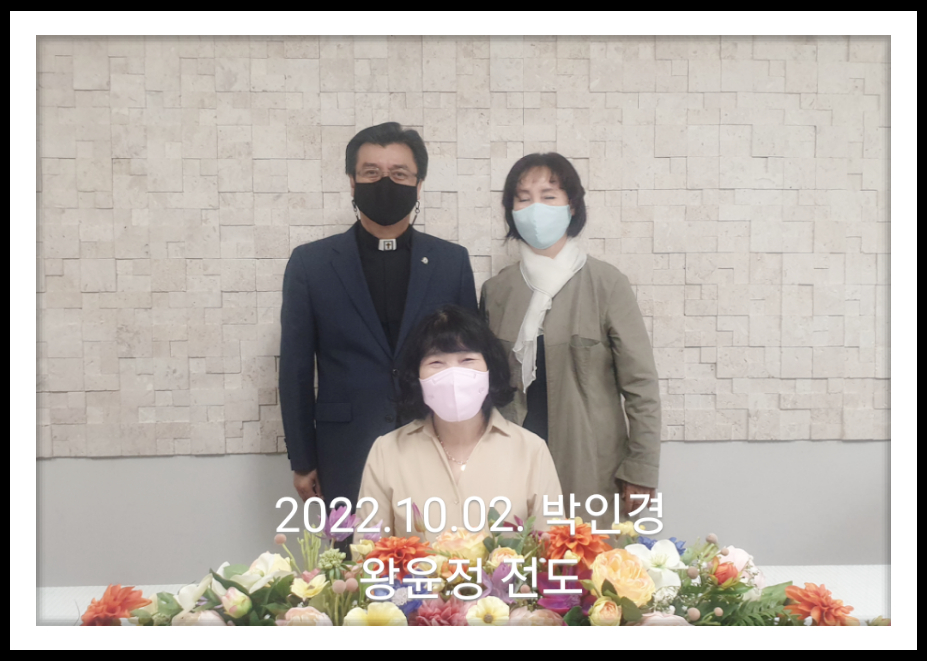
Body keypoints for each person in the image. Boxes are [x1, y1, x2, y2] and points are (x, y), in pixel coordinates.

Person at [279, 122, 479, 520]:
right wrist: (302, 460)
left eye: (399, 174)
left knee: (439, 550)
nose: (385, 182)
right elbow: (295, 370)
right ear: (352, 182)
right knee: (355, 555)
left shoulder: (451, 262)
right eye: (371, 172)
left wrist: (474, 444)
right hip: (345, 449)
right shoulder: (311, 264)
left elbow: (470, 365)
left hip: (436, 440)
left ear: (418, 185)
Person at [479, 153, 662, 526]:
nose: (535, 209)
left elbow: (641, 385)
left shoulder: (606, 284)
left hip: (591, 464)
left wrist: (641, 468)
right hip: (513, 462)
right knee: (513, 556)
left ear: (572, 206)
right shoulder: (497, 290)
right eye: (523, 198)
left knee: (590, 558)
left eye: (549, 196)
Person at [353, 305, 563, 542]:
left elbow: (553, 550)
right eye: (436, 362)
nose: (453, 375)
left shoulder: (531, 450)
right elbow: (367, 551)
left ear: (489, 369)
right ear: (416, 375)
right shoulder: (387, 451)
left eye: (467, 359)